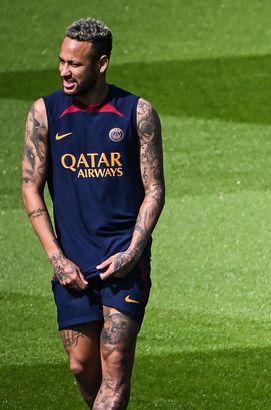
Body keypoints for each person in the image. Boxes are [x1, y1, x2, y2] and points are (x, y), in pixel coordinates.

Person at [21, 18, 165, 409]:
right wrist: (57, 258)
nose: (65, 71)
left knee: (115, 364)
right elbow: (30, 186)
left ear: (101, 63)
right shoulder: (45, 113)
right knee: (82, 366)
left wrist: (133, 252)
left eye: (75, 64)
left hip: (123, 257)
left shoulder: (137, 113)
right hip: (72, 261)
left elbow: (154, 190)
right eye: (62, 61)